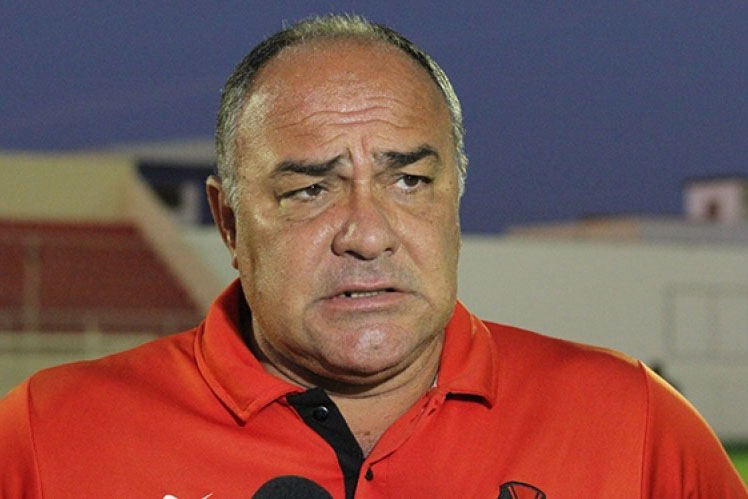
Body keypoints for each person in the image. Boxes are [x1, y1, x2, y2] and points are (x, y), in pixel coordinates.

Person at [1, 14, 746, 498]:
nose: (366, 233)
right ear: (229, 223)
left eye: (409, 181)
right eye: (309, 190)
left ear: (456, 199)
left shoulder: (635, 425)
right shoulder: (48, 436)